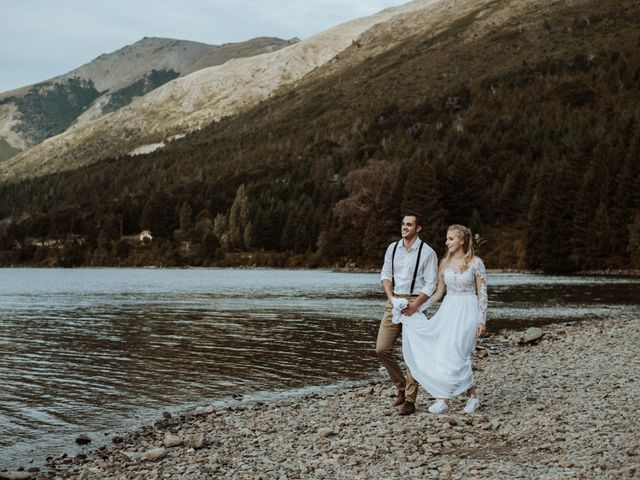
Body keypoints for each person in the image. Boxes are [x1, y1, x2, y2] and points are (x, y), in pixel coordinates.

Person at [396, 224, 488, 414]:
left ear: (462, 240)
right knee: (445, 352)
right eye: (447, 239)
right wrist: (417, 308)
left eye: (451, 239)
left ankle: (472, 397)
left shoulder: (476, 263)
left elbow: (483, 294)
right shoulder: (444, 263)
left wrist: (482, 320)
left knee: (458, 353)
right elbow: (438, 293)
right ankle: (443, 399)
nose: (447, 242)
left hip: (468, 310)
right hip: (448, 310)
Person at [377, 213, 438, 415]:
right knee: (382, 348)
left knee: (414, 353)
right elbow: (386, 275)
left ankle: (410, 400)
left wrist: (415, 305)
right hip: (394, 302)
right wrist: (391, 297)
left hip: (416, 303)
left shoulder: (427, 252)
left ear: (418, 228)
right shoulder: (392, 248)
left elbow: (431, 284)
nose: (404, 227)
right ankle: (401, 386)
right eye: (403, 223)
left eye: (409, 224)